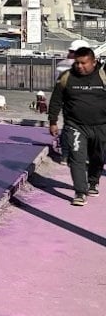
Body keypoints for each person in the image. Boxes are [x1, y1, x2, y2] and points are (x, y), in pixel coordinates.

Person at [47, 45, 106, 206]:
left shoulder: (103, 76)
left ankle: (93, 182)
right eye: (77, 63)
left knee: (98, 157)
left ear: (93, 62)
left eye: (83, 63)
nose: (79, 66)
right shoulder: (67, 77)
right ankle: (80, 192)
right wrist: (53, 122)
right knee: (77, 158)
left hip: (101, 126)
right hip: (75, 125)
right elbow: (56, 100)